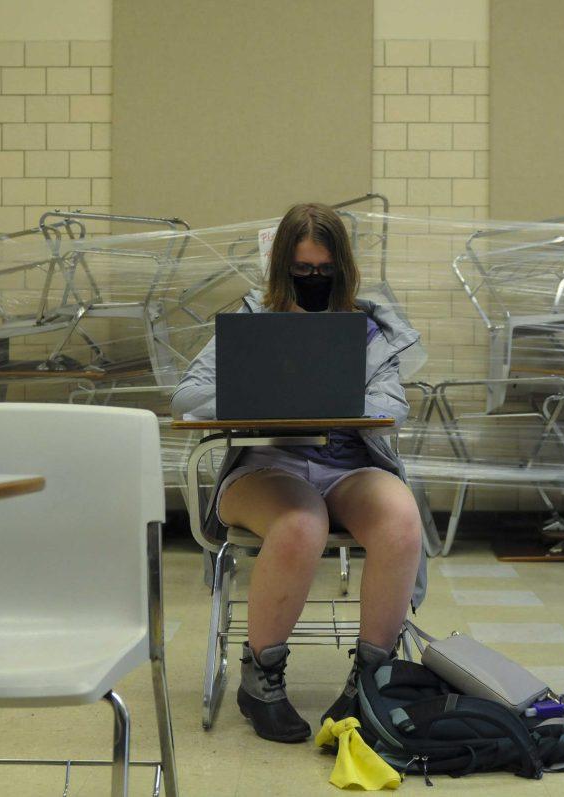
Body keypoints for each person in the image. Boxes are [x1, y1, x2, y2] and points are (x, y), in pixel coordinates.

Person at [171, 202, 426, 743]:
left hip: (349, 465)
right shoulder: (250, 322)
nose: (313, 280)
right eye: (302, 270)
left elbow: (391, 406)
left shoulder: (369, 330)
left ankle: (371, 680)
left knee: (401, 521)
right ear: (281, 265)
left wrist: (336, 397)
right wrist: (259, 394)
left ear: (343, 269)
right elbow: (188, 396)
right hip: (267, 468)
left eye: (323, 271)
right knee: (300, 524)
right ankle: (260, 679)